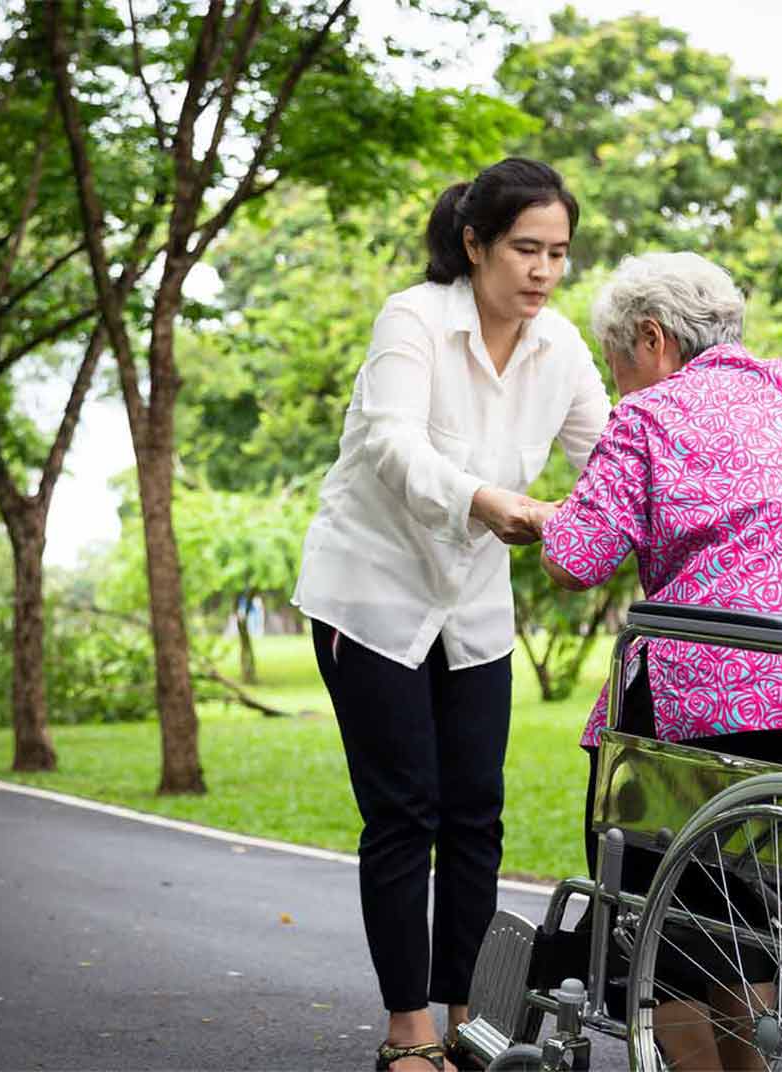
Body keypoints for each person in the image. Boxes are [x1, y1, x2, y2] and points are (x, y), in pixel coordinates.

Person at [538, 251, 782, 1070]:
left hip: (698, 719)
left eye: (618, 365)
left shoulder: (651, 416)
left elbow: (574, 560)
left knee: (654, 904)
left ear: (652, 337)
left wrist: (540, 518)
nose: (621, 385)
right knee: (740, 903)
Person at [292, 158, 610, 1072]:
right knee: (404, 812)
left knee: (476, 811)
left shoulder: (562, 351)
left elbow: (613, 454)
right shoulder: (414, 320)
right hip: (372, 595)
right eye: (525, 249)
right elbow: (390, 443)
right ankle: (408, 1035)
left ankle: (474, 1019)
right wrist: (485, 499)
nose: (544, 271)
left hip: (471, 607)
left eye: (559, 252)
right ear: (474, 245)